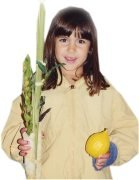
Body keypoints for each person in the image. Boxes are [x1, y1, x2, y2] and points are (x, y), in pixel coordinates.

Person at [1, 6, 138, 179]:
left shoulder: (103, 90)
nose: (71, 49)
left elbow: (130, 129)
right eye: (64, 39)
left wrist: (113, 150)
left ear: (91, 48)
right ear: (52, 43)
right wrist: (22, 143)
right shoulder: (38, 90)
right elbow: (10, 133)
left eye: (81, 41)